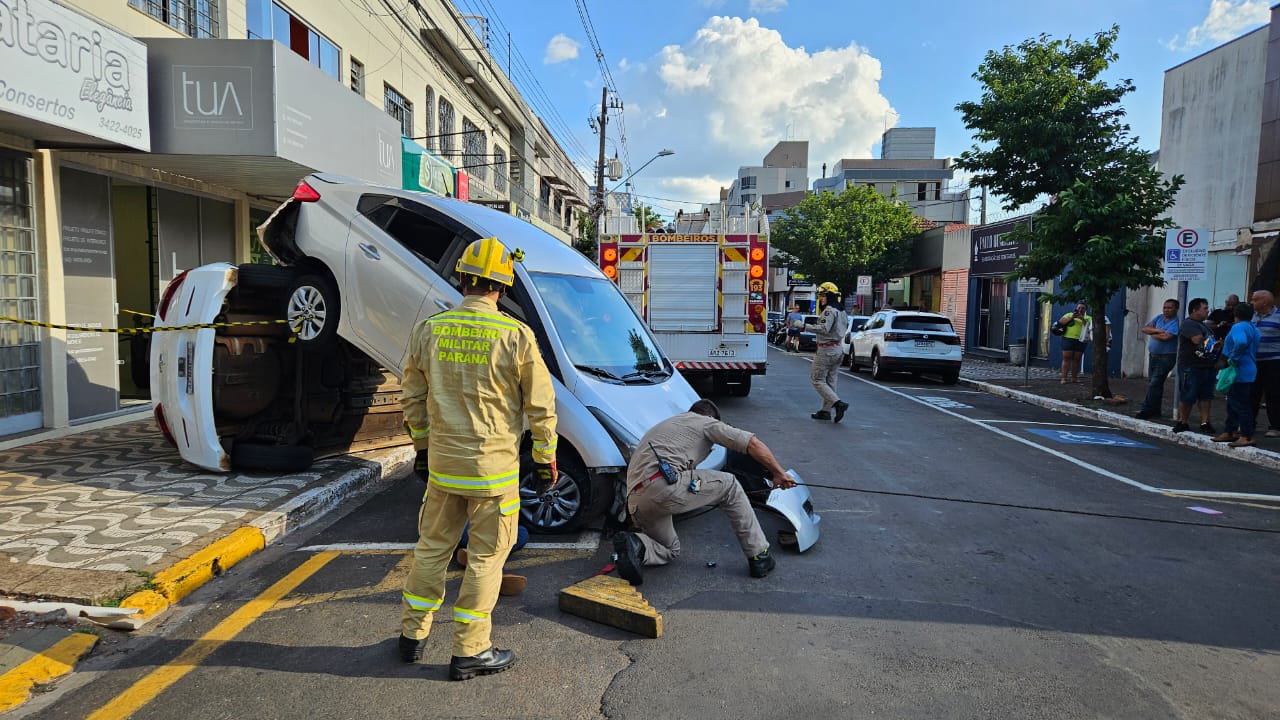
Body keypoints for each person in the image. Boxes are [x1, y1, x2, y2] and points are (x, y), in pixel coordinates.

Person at [397, 236, 559, 681]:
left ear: (462, 279)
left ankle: (412, 636)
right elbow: (541, 406)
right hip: (493, 473)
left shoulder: (430, 329)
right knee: (486, 559)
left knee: (432, 549)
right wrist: (544, 458)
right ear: (502, 288)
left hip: (444, 468)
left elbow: (412, 397)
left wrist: (423, 449)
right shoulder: (516, 336)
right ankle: (471, 650)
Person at [612, 399, 797, 585]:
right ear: (710, 417)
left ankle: (636, 544)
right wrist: (779, 474)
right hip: (663, 486)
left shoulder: (667, 425)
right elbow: (752, 443)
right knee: (730, 485)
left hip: (635, 501)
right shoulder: (706, 422)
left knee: (668, 549)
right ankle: (759, 555)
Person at [1213, 301, 1261, 447]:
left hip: (1237, 370)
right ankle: (1230, 430)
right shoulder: (1253, 328)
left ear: (1235, 314)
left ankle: (1246, 435)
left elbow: (1241, 342)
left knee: (1240, 404)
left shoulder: (1238, 327)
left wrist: (1232, 359)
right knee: (1233, 402)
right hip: (1248, 368)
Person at [805, 281, 850, 422]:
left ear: (829, 296)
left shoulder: (829, 311)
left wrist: (804, 326)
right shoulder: (842, 311)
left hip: (826, 349)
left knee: (817, 379)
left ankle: (838, 404)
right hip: (838, 348)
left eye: (823, 295)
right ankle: (826, 411)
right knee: (831, 381)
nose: (821, 298)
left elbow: (823, 329)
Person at [1174, 297, 1216, 435]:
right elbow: (1198, 340)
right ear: (1194, 310)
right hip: (1191, 366)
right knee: (1188, 394)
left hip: (1206, 366)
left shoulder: (1203, 325)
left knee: (1206, 396)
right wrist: (1214, 344)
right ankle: (1183, 421)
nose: (1207, 311)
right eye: (1205, 308)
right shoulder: (1189, 324)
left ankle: (1205, 422)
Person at [1136, 299, 1180, 420]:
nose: (1166, 310)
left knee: (1154, 383)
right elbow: (1144, 329)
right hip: (1153, 355)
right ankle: (1155, 410)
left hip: (1166, 356)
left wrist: (1152, 333)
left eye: (1169, 308)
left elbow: (1166, 337)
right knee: (1155, 384)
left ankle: (1146, 409)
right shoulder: (1159, 318)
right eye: (1165, 307)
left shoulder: (1176, 322)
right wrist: (1158, 331)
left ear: (1176, 309)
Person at [1249, 289, 1280, 437]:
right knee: (1252, 393)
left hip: (1273, 361)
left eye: (1255, 300)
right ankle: (1249, 423)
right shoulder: (1251, 316)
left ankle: (1275, 426)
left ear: (1265, 302)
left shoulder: (1278, 316)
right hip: (1253, 361)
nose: (1252, 302)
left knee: (1273, 394)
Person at [1054, 303, 1091, 384]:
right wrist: (1071, 318)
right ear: (1076, 308)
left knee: (1076, 360)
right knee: (1066, 358)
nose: (1080, 309)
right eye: (1079, 307)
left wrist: (1082, 319)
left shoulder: (1088, 318)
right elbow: (1061, 322)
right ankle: (1063, 378)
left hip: (1081, 340)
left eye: (1083, 308)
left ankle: (1074, 378)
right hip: (1068, 338)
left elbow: (1088, 327)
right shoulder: (1069, 314)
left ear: (1085, 310)